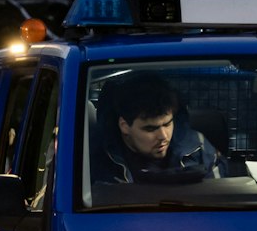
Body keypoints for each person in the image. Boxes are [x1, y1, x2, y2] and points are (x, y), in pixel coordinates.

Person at [95, 71, 229, 182]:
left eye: (167, 124)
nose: (164, 136)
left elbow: (217, 200)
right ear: (124, 126)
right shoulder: (98, 160)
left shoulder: (198, 148)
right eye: (150, 128)